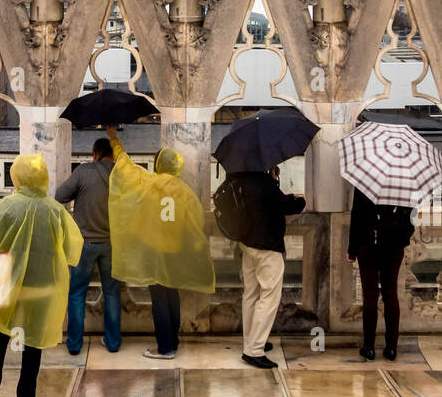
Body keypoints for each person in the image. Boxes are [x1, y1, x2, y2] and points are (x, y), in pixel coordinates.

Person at [0, 152, 83, 397]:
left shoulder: (8, 205)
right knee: (33, 342)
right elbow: (71, 248)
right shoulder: (55, 210)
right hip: (42, 287)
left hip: (10, 285)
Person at [105, 125, 215, 361]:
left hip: (155, 252)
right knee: (172, 294)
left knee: (159, 299)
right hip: (175, 252)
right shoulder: (185, 192)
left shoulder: (149, 183)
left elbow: (125, 166)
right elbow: (195, 224)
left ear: (158, 165)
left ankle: (165, 348)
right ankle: (172, 340)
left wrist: (114, 139)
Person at [228, 165, 305, 369]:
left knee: (250, 294)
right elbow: (285, 205)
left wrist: (273, 180)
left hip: (248, 244)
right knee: (269, 296)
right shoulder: (264, 183)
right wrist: (299, 200)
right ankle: (254, 350)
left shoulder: (242, 178)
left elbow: (265, 203)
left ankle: (251, 342)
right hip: (267, 246)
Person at [56, 137, 121, 355]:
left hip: (84, 243)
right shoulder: (123, 174)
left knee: (76, 294)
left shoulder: (84, 172)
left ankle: (74, 344)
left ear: (95, 153)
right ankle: (113, 342)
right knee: (112, 292)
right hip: (112, 243)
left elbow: (60, 195)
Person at [347, 189, 414, 362]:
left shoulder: (364, 179)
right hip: (393, 246)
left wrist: (352, 249)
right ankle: (391, 348)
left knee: (370, 295)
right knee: (390, 294)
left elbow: (357, 216)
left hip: (367, 244)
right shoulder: (402, 180)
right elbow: (412, 216)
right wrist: (402, 236)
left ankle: (368, 348)